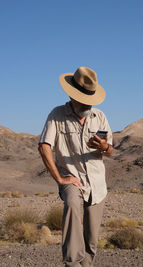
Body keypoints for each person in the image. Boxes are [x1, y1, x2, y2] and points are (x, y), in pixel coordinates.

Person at [38, 66, 113, 267]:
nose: (89, 105)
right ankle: (72, 263)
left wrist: (105, 146)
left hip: (97, 184)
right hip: (72, 179)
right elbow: (44, 146)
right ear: (72, 96)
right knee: (71, 203)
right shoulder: (57, 115)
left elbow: (111, 151)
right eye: (84, 100)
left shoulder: (100, 117)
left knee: (92, 241)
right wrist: (60, 179)